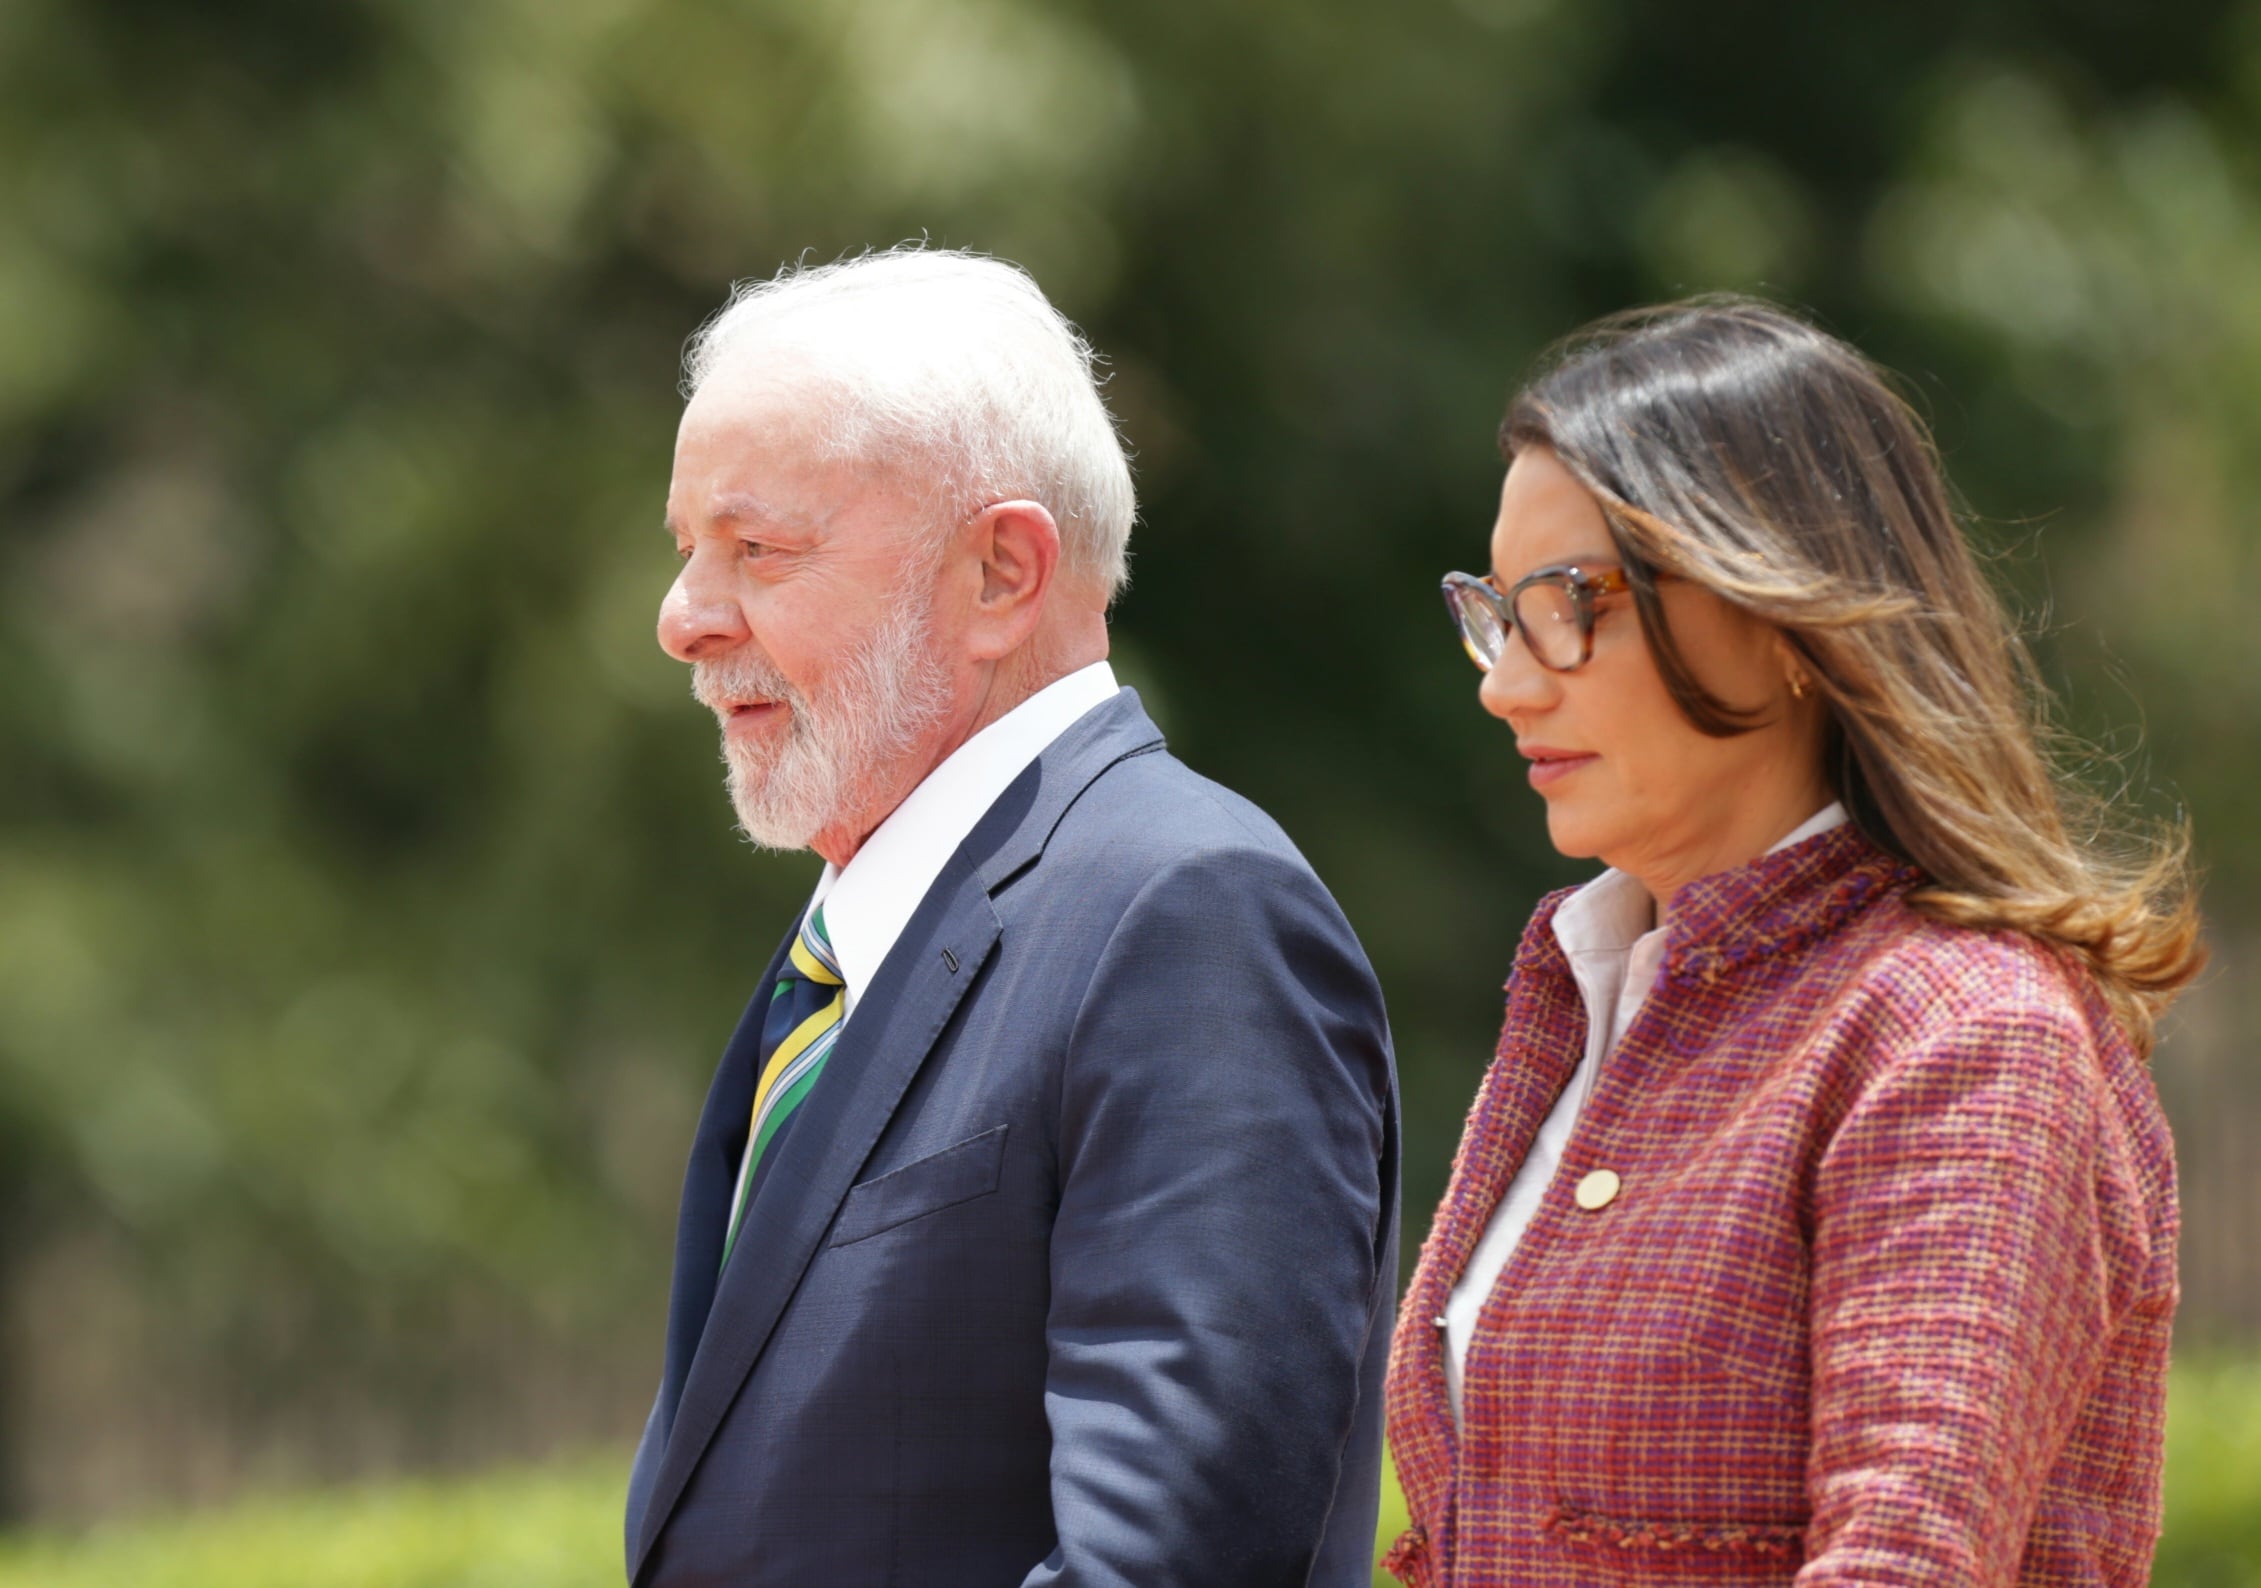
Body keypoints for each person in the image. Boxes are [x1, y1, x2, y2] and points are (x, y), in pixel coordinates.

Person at [1382, 298, 2202, 1586]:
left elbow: (1902, 1561)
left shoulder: (1965, 1040)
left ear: (1784, 607)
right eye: (1498, 610)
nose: (1508, 680)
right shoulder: (1589, 990)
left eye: (1569, 603)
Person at [623, 246, 1399, 1588]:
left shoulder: (1187, 914)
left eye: (757, 548)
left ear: (1000, 575)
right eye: (690, 550)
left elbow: (1171, 1563)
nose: (682, 618)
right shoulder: (858, 947)